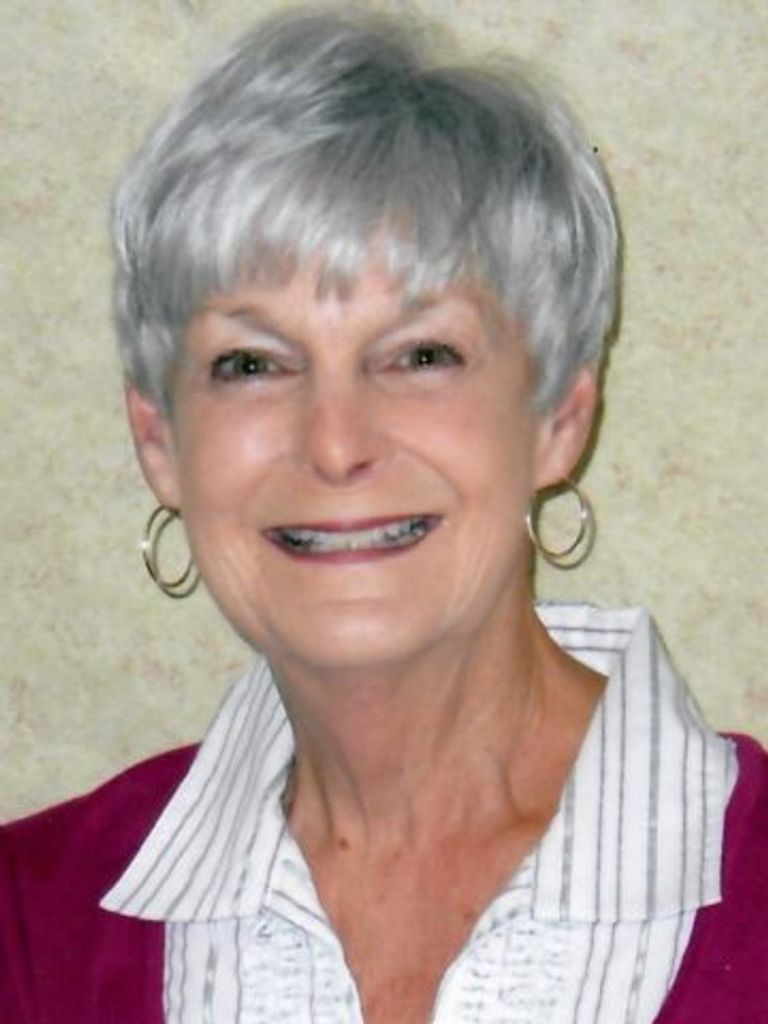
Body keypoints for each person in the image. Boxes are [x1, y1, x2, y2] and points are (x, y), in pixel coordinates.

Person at [1, 8, 765, 1023]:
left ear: (558, 417)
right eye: (251, 363)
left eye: (421, 354)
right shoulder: (25, 930)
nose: (335, 443)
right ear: (159, 440)